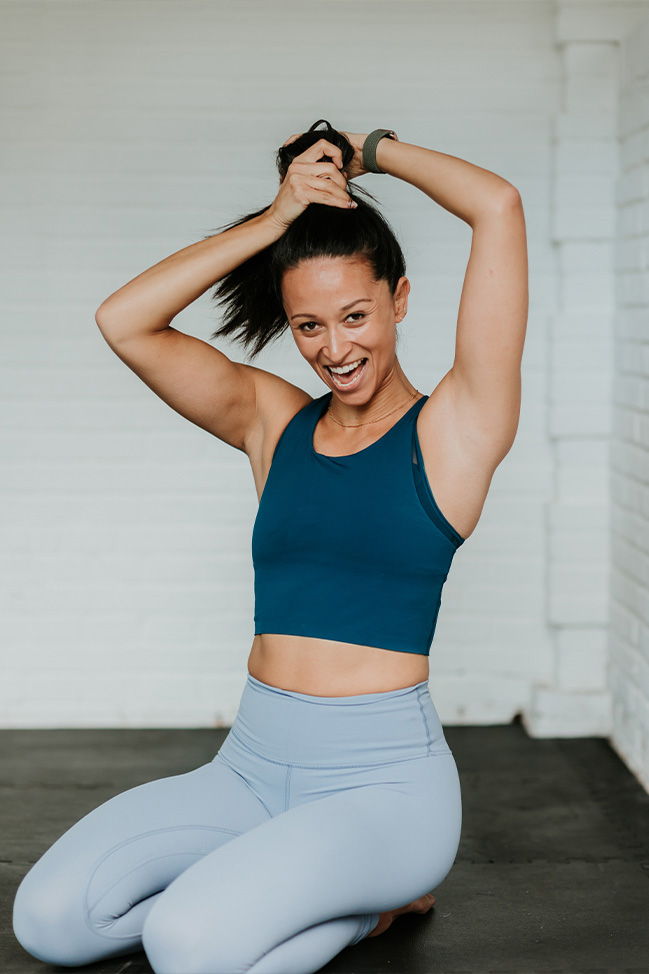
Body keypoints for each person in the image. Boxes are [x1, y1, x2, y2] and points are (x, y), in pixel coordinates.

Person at [12, 120, 528, 974]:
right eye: (309, 326)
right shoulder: (273, 424)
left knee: (185, 942)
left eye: (356, 316)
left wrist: (371, 152)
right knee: (52, 923)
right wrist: (277, 215)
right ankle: (336, 903)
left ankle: (377, 900)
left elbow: (497, 206)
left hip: (383, 792)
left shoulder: (455, 431)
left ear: (400, 299)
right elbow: (124, 321)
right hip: (247, 771)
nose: (335, 349)